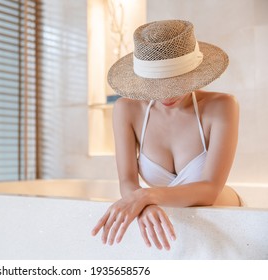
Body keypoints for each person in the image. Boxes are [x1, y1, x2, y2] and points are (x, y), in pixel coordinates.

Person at [91, 20, 241, 251]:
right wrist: (145, 204)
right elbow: (127, 181)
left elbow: (211, 190)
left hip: (226, 219)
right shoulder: (126, 109)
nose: (166, 95)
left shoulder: (222, 106)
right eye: (156, 85)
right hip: (167, 221)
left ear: (193, 73)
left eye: (175, 83)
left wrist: (146, 197)